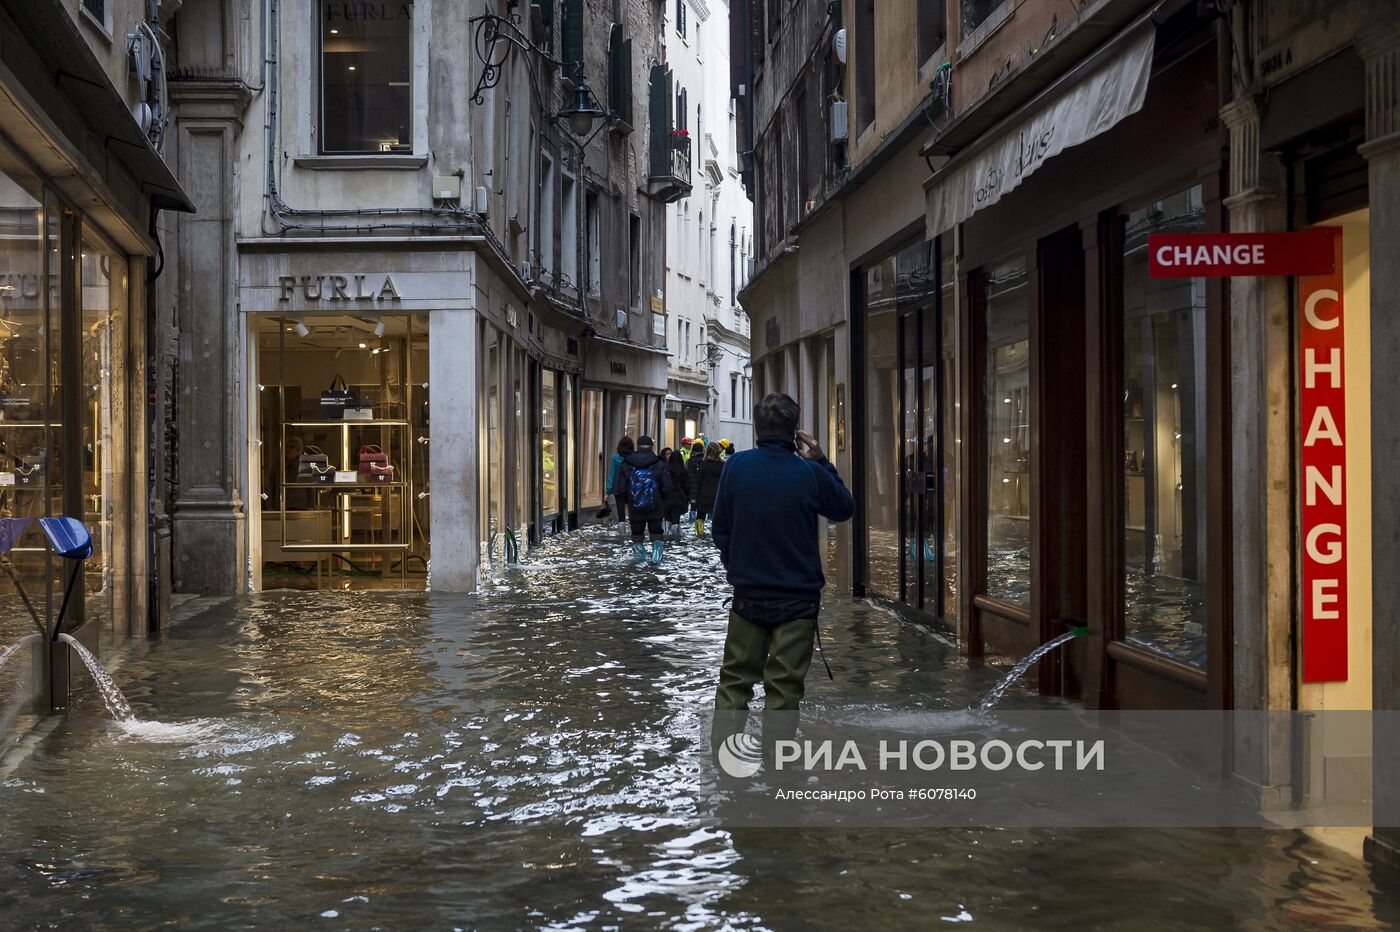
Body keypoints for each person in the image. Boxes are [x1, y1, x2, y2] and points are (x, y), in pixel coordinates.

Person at [710, 392, 855, 711]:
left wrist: (737, 565)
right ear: (795, 431)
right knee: (784, 691)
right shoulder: (810, 472)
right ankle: (779, 759)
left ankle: (725, 757)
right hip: (798, 601)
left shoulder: (736, 466)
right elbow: (844, 508)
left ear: (757, 428)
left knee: (734, 683)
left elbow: (719, 529)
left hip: (748, 595)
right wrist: (822, 460)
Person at [618, 435, 671, 565]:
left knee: (637, 536)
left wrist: (630, 501)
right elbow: (667, 487)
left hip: (635, 508)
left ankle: (639, 564)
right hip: (656, 507)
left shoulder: (627, 464)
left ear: (637, 446)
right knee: (657, 533)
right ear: (652, 447)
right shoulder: (659, 463)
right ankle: (656, 562)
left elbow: (621, 488)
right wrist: (661, 501)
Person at [692, 441, 726, 535]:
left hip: (704, 494)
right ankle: (717, 533)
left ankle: (699, 534)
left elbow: (698, 480)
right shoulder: (723, 465)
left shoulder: (704, 464)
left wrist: (694, 496)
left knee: (700, 517)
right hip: (718, 495)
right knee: (718, 516)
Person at [662, 445, 692, 539]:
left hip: (667, 497)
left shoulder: (666, 469)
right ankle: (675, 536)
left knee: (667, 516)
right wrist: (688, 497)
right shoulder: (683, 470)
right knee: (676, 517)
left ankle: (666, 533)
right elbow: (687, 485)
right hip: (679, 498)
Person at [605, 436, 634, 527]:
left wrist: (609, 490)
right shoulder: (634, 458)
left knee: (620, 511)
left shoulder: (616, 458)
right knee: (633, 509)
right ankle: (634, 528)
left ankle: (622, 531)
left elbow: (612, 474)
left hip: (618, 487)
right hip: (631, 487)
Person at [685, 439, 706, 519]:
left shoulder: (689, 461)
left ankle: (692, 517)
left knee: (693, 503)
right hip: (703, 485)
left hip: (692, 485)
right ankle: (701, 523)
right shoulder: (704, 461)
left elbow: (686, 473)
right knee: (702, 505)